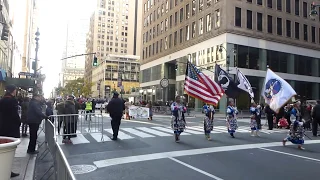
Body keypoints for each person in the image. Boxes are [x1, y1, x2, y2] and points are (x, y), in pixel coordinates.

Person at [0, 85, 21, 178]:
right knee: (10, 149)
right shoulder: (12, 100)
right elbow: (14, 114)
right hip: (11, 128)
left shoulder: (2, 100)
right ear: (13, 91)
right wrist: (18, 122)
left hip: (2, 127)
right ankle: (7, 170)